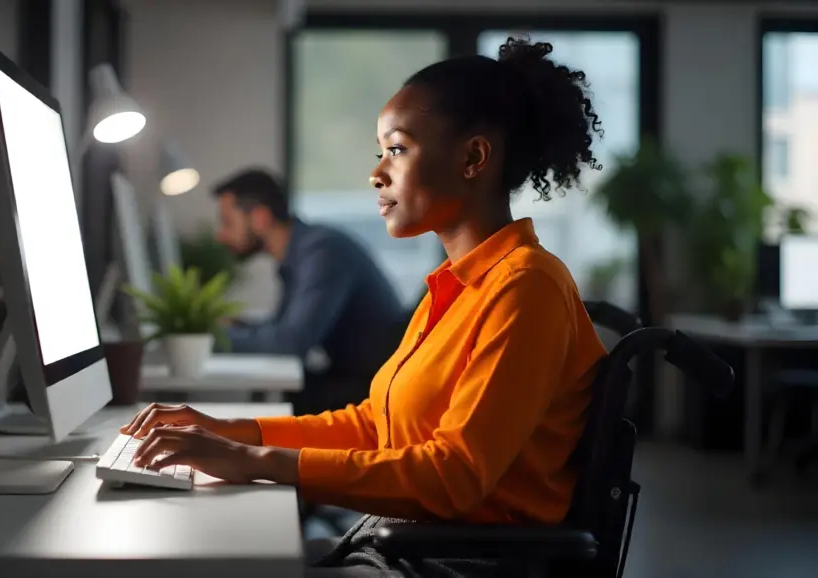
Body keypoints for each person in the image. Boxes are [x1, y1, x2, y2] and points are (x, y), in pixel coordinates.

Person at [121, 37, 608, 577]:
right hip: (407, 547)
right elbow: (377, 425)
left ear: (473, 157)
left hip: (451, 565)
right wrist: (230, 431)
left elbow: (455, 476)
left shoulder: (526, 287)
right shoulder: (455, 286)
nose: (377, 173)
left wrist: (256, 463)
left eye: (397, 149)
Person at [211, 168, 406, 413]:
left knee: (277, 409)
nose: (221, 235)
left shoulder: (322, 251)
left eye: (228, 223)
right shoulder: (302, 252)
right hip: (354, 378)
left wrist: (208, 338)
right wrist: (237, 325)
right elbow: (283, 328)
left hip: (372, 389)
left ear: (260, 218)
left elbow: (290, 342)